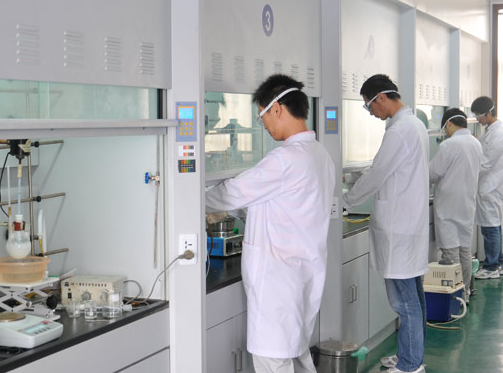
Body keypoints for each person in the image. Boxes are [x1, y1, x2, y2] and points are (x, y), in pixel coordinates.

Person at [205, 74, 334, 373]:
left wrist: (192, 200)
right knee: (296, 355)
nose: (262, 124)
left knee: (273, 360)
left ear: (277, 108)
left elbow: (233, 192)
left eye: (261, 115)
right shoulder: (320, 155)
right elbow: (280, 206)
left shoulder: (285, 159)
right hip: (302, 275)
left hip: (278, 281)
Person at [342, 74, 429, 373]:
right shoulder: (413, 125)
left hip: (399, 229)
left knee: (405, 302)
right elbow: (387, 170)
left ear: (381, 97)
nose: (371, 113)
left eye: (369, 106)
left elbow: (378, 174)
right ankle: (411, 356)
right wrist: (357, 178)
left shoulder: (400, 130)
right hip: (408, 226)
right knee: (414, 298)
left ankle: (410, 365)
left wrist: (345, 201)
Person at [429, 108, 482, 302]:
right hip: (467, 204)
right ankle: (464, 293)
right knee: (465, 251)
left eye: (445, 128)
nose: (445, 132)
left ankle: (454, 297)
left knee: (450, 255)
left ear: (449, 123)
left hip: (449, 206)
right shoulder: (476, 143)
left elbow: (432, 173)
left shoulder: (449, 145)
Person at [471, 96, 503, 279]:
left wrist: (467, 172)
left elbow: (486, 163)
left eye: (479, 116)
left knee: (490, 228)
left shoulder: (498, 134)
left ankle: (491, 267)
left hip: (491, 187)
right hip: (489, 186)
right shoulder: (490, 131)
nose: (478, 119)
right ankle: (498, 264)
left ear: (488, 113)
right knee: (494, 226)